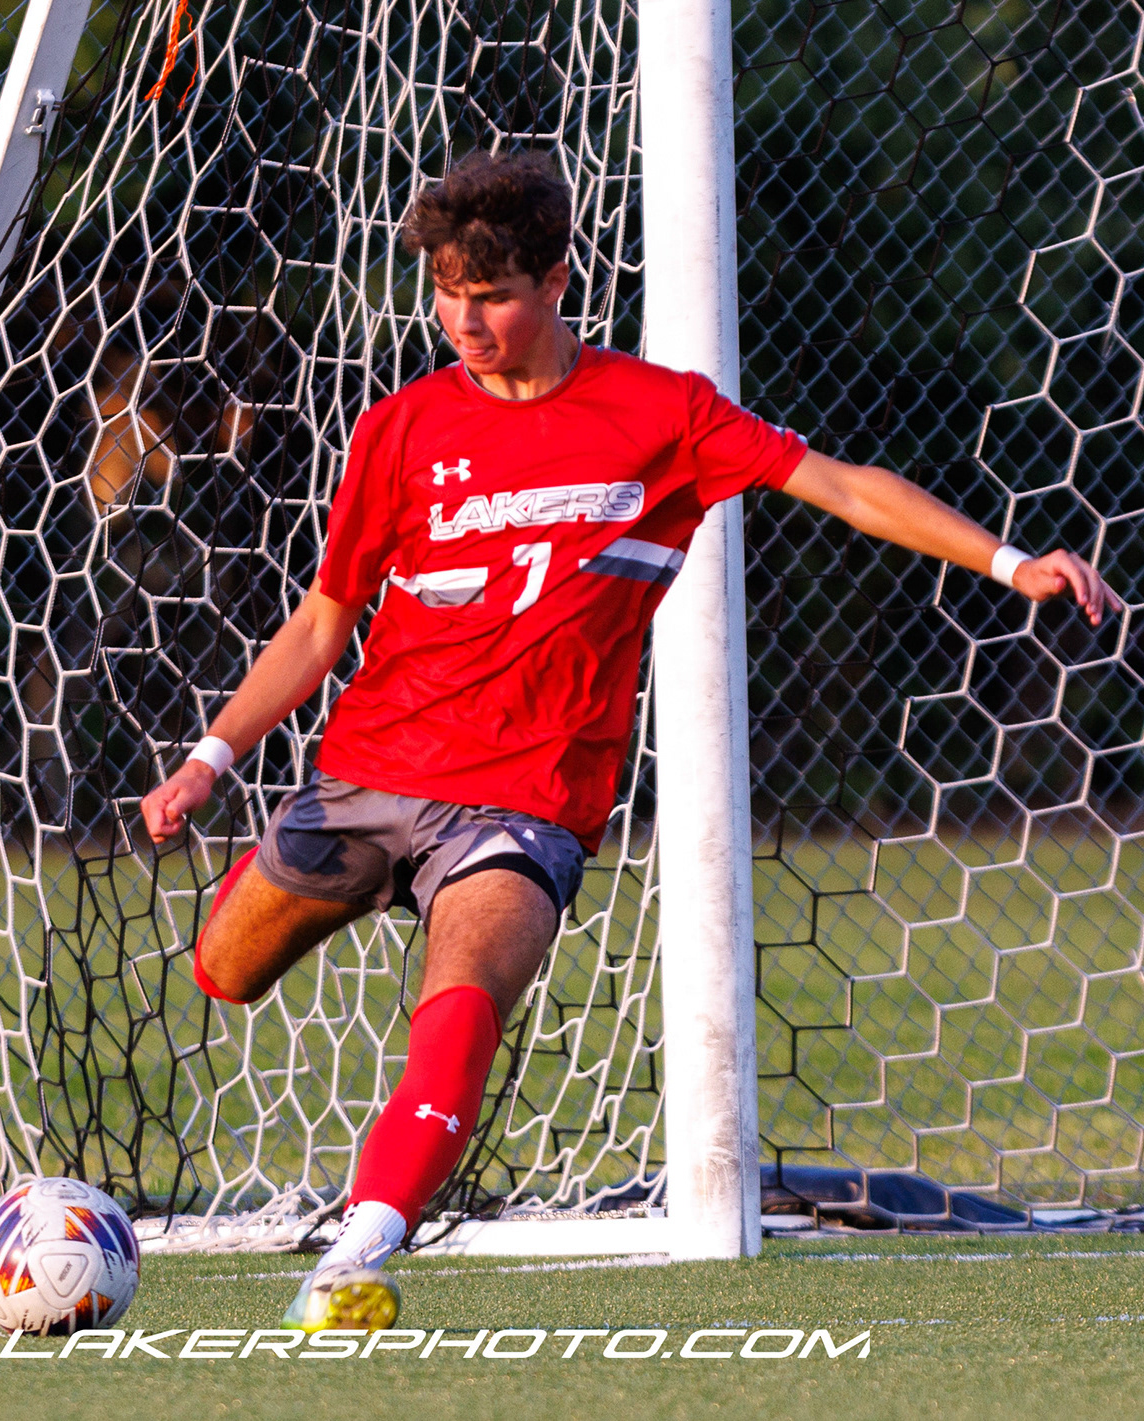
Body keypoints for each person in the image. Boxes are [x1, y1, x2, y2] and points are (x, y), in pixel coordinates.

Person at [139, 150, 1119, 1331]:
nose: (466, 323)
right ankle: (346, 1079)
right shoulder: (399, 428)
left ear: (557, 281)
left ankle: (359, 1248)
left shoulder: (661, 414)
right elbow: (319, 624)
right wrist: (208, 758)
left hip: (524, 796)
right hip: (368, 774)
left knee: (464, 1000)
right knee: (224, 968)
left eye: (492, 296)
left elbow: (842, 485)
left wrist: (1009, 562)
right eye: (446, 296)